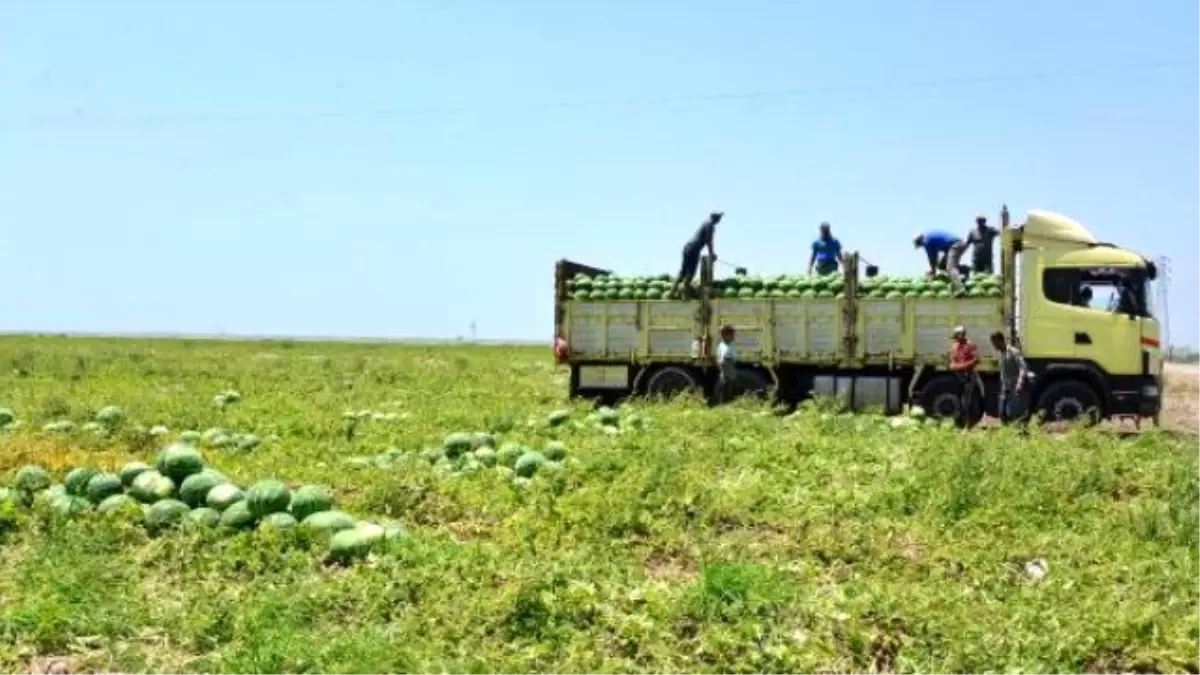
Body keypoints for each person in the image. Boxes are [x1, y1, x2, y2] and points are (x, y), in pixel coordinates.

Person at [673, 211, 722, 298]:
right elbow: (709, 241)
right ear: (715, 218)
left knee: (682, 272)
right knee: (690, 273)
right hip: (694, 249)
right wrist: (712, 254)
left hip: (687, 247)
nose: (720, 220)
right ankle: (684, 293)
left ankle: (672, 292)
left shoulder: (705, 223)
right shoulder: (710, 225)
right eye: (719, 218)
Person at [990, 331, 1030, 426]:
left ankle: (1021, 434)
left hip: (1015, 388)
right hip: (1005, 388)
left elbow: (1023, 367)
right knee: (1002, 413)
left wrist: (1020, 383)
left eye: (995, 343)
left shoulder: (1013, 352)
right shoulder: (1001, 354)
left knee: (1014, 414)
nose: (994, 346)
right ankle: (1008, 433)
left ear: (1000, 341)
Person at [948, 326, 980, 428]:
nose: (957, 338)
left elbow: (976, 360)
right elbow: (952, 363)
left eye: (958, 335)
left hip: (968, 376)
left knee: (966, 402)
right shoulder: (954, 346)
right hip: (958, 376)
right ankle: (959, 424)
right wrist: (959, 366)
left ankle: (967, 425)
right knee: (958, 401)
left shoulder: (970, 345)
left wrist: (961, 366)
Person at [715, 324, 737, 404]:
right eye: (732, 335)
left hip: (730, 371)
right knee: (725, 389)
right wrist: (723, 373)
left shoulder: (730, 345)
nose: (734, 336)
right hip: (726, 371)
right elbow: (720, 361)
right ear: (725, 336)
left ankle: (728, 404)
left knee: (730, 389)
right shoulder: (723, 347)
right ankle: (723, 405)